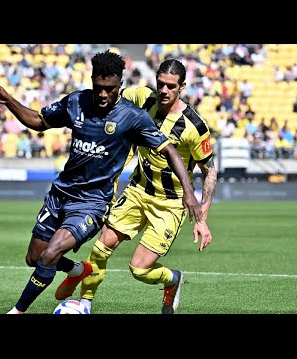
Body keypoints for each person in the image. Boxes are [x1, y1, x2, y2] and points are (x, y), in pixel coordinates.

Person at [0, 50, 202, 314]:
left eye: (109, 89)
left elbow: (170, 151)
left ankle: (18, 311)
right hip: (59, 195)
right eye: (98, 87)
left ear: (120, 85)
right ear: (91, 80)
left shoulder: (133, 117)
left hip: (92, 204)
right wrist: (7, 99)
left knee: (52, 253)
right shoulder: (76, 101)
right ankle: (78, 270)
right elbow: (38, 121)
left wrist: (189, 193)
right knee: (35, 258)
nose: (102, 95)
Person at [55, 58, 217, 314]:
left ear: (182, 87)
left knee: (139, 269)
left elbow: (210, 172)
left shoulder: (194, 126)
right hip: (137, 191)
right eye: (160, 84)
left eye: (171, 86)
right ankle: (84, 305)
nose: (164, 90)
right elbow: (111, 95)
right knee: (100, 248)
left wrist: (202, 218)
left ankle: (173, 280)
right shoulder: (143, 98)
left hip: (169, 204)